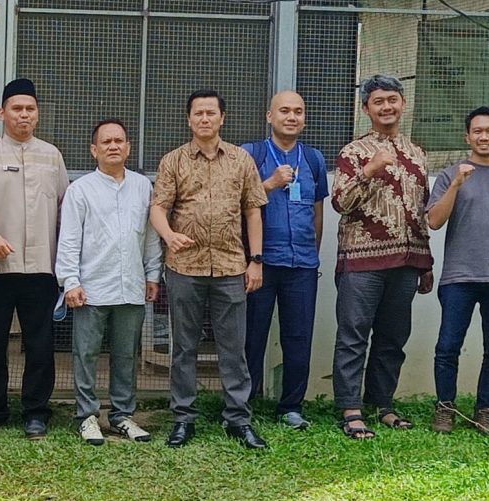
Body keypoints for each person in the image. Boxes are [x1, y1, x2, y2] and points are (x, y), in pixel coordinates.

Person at [150, 89, 269, 451]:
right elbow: (158, 207)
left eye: (210, 113)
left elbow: (253, 210)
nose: (204, 119)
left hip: (232, 266)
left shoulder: (240, 160)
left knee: (233, 348)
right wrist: (169, 235)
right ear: (189, 120)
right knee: (183, 347)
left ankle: (238, 419)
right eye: (198, 113)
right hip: (185, 268)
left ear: (222, 118)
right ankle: (184, 418)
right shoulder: (173, 161)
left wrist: (256, 260)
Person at [330, 74, 434, 441]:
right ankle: (350, 407)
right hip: (361, 262)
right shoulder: (352, 153)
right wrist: (370, 169)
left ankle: (383, 404)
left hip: (406, 263)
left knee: (393, 338)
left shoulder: (418, 153)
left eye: (392, 99)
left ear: (402, 103)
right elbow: (340, 202)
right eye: (378, 101)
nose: (387, 106)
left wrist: (425, 261)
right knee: (354, 335)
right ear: (366, 109)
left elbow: (421, 210)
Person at [0, 78, 71, 438]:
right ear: (2, 113)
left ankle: (36, 411)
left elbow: (64, 209)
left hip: (42, 268)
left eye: (29, 109)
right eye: (16, 108)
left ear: (37, 114)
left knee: (40, 344)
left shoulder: (51, 155)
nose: (23, 115)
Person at [57, 116, 162, 444]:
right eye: (106, 142)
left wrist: (153, 274)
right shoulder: (80, 190)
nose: (113, 146)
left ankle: (122, 415)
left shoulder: (143, 187)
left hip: (131, 286)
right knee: (86, 354)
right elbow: (69, 239)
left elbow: (150, 238)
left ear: (128, 147)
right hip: (91, 287)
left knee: (125, 355)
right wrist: (70, 281)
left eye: (119, 141)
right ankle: (87, 416)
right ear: (94, 150)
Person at [425, 106, 489, 435]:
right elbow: (434, 221)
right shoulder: (449, 174)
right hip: (459, 277)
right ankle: (445, 408)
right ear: (467, 136)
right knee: (448, 346)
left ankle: (486, 410)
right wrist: (456, 184)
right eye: (478, 131)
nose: (484, 137)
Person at [244, 88, 327, 429]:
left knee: (298, 338)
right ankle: (241, 405)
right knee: (251, 336)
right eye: (284, 111)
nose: (291, 117)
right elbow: (238, 200)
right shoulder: (252, 154)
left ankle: (291, 406)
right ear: (269, 116)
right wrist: (270, 184)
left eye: (298, 112)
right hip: (261, 262)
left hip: (302, 265)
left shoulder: (314, 159)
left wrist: (314, 254)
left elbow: (318, 212)